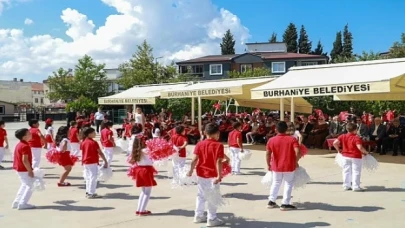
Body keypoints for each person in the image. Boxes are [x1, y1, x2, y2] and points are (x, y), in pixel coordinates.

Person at [187, 123, 227, 227]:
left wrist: (191, 170)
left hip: (201, 173)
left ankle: (198, 215)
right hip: (212, 175)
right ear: (217, 133)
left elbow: (194, 159)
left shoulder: (200, 144)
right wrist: (219, 175)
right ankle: (212, 218)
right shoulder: (219, 145)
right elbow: (219, 161)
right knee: (212, 197)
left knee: (200, 195)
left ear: (205, 133)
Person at [266, 121, 300, 211]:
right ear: (286, 129)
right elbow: (297, 151)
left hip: (276, 165)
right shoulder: (292, 139)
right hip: (289, 165)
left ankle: (271, 201)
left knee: (276, 182)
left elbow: (268, 153)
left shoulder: (271, 140)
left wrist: (268, 164)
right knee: (288, 183)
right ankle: (285, 203)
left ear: (276, 129)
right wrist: (296, 161)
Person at [333, 123, 369, 191]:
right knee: (356, 171)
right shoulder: (356, 137)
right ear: (355, 130)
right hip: (356, 156)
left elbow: (334, 143)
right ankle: (356, 186)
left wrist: (339, 150)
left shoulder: (342, 136)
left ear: (347, 129)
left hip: (345, 156)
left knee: (346, 171)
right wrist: (366, 152)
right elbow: (360, 147)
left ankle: (346, 185)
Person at [128, 137, 157, 216]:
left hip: (139, 170)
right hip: (146, 170)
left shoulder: (135, 151)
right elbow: (155, 153)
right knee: (147, 192)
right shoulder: (145, 150)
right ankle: (142, 210)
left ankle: (139, 209)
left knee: (143, 191)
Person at [81, 127, 108, 199]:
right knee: (93, 177)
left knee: (88, 177)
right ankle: (91, 193)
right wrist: (105, 161)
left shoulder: (83, 142)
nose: (95, 134)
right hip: (92, 161)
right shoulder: (93, 142)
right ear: (89, 134)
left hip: (85, 161)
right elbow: (100, 153)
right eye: (93, 133)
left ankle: (88, 191)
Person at [12, 128, 35, 210]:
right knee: (30, 186)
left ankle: (17, 201)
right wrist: (30, 171)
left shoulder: (19, 144)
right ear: (24, 137)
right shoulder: (25, 146)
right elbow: (24, 160)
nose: (31, 134)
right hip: (24, 169)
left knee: (24, 185)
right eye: (29, 133)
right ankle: (23, 203)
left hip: (19, 168)